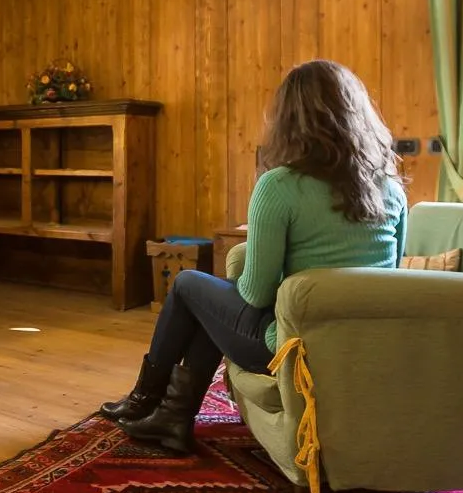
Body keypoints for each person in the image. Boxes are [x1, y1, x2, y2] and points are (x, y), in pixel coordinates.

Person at [100, 60, 408, 454]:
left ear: (290, 119)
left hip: (290, 350)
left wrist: (238, 288)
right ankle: (171, 418)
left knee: (187, 284)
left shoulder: (279, 186)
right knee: (209, 300)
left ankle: (147, 399)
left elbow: (257, 295)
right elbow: (393, 274)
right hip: (361, 344)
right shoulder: (391, 189)